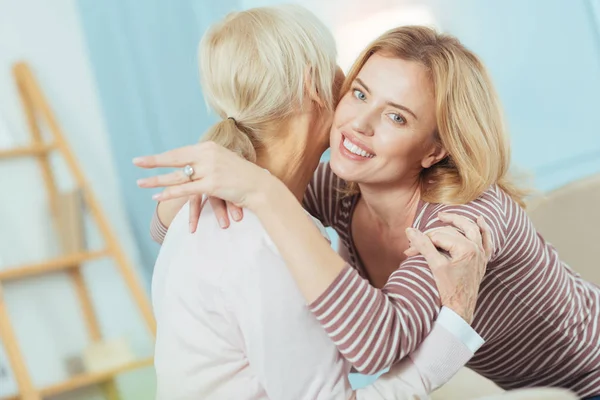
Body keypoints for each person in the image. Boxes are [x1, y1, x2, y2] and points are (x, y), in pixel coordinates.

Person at [136, 25, 600, 399]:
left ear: (434, 149)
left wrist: (261, 189)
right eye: (359, 93)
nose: (359, 123)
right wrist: (224, 158)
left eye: (396, 117)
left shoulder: (461, 219)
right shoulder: (340, 188)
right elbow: (167, 227)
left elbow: (378, 344)